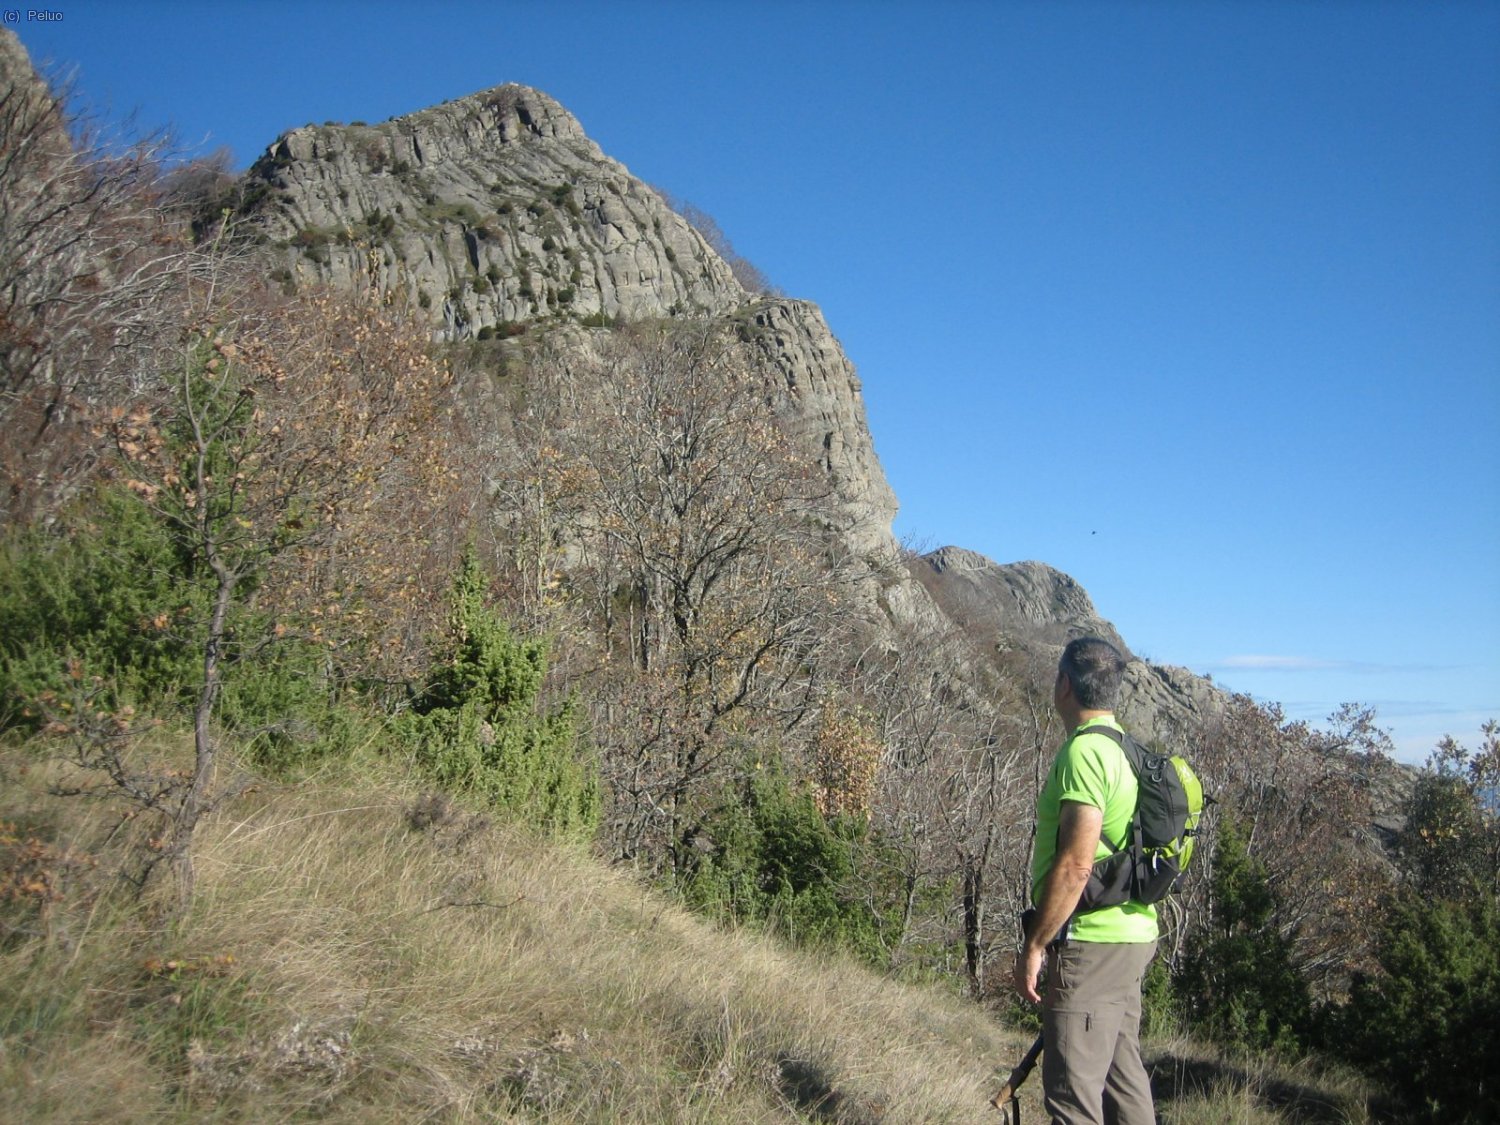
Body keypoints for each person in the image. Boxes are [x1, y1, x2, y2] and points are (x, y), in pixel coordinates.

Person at [1012, 636, 1157, 1125]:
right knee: (1123, 1086)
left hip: (1091, 945)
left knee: (1073, 1100)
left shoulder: (1086, 754)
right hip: (1133, 937)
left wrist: (1036, 944)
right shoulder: (1129, 752)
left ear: (1065, 684)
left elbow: (1076, 864)